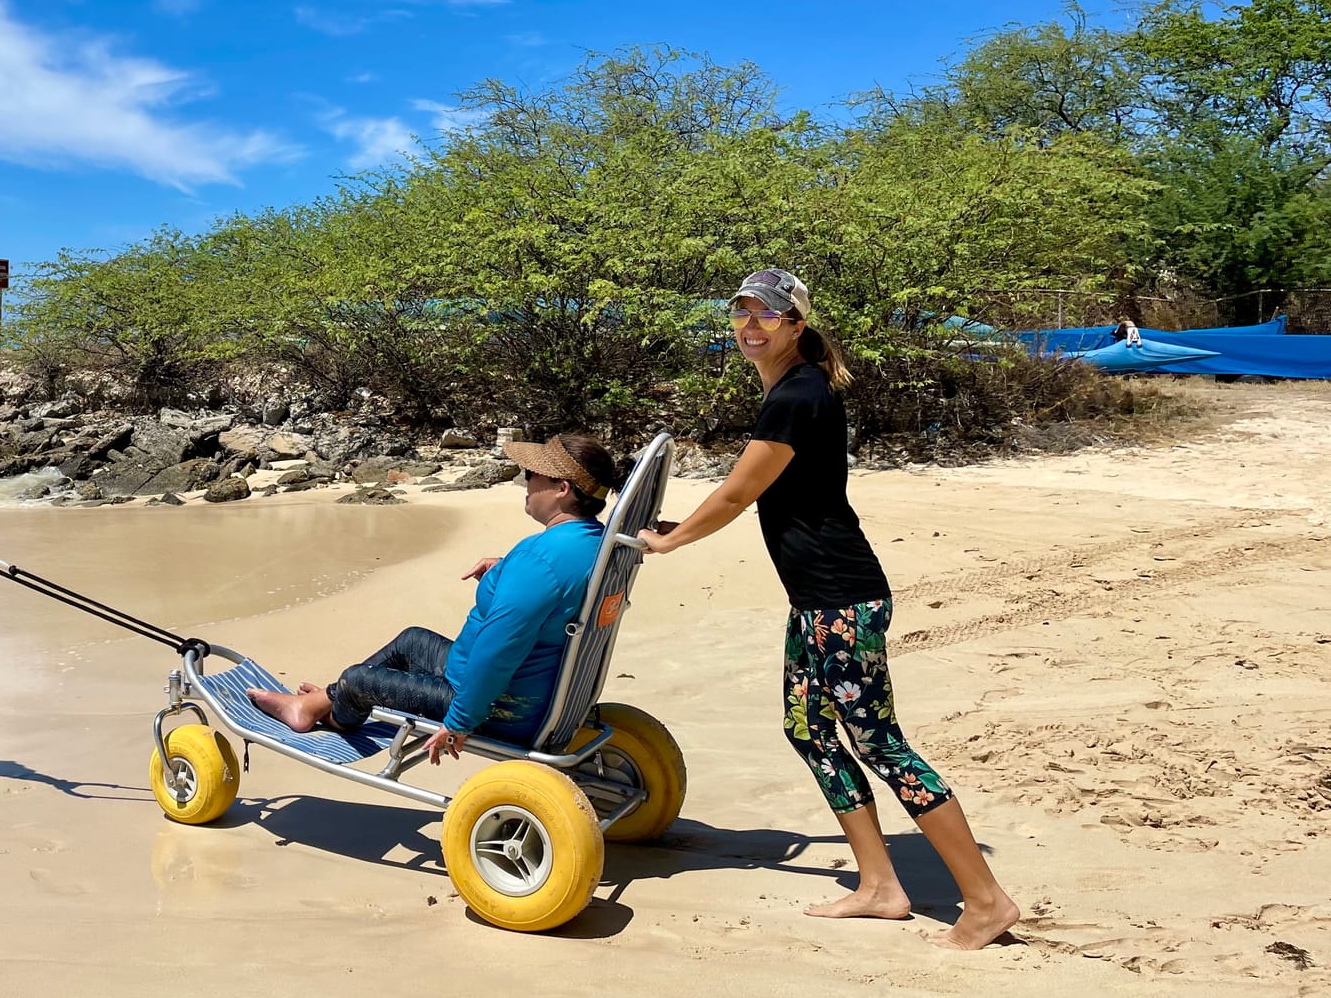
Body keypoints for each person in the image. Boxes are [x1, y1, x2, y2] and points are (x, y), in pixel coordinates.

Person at [637, 270, 1019, 950]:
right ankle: (879, 886)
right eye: (742, 315)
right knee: (810, 731)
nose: (751, 327)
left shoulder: (798, 395)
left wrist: (671, 543)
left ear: (795, 325)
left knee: (880, 742)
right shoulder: (792, 390)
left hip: (843, 601)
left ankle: (986, 899)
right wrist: (673, 527)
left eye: (767, 316)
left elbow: (735, 494)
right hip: (815, 601)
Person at [249, 432, 620, 764]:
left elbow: (498, 651)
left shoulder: (540, 563)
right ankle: (324, 703)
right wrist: (506, 569)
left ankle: (324, 707)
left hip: (497, 706)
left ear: (562, 489)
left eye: (531, 475)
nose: (526, 482)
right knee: (412, 641)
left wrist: (460, 721)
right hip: (532, 690)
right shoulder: (594, 545)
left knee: (358, 679)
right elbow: (560, 588)